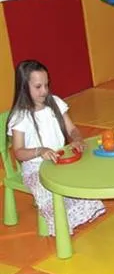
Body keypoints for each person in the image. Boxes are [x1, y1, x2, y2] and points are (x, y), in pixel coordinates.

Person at [6, 60, 106, 236]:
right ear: (24, 87)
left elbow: (72, 129)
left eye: (46, 85)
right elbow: (18, 152)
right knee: (49, 192)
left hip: (61, 160)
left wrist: (77, 139)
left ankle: (80, 214)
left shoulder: (55, 103)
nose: (44, 91)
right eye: (38, 87)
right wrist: (39, 151)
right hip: (35, 169)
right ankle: (62, 224)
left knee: (82, 179)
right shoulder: (20, 117)